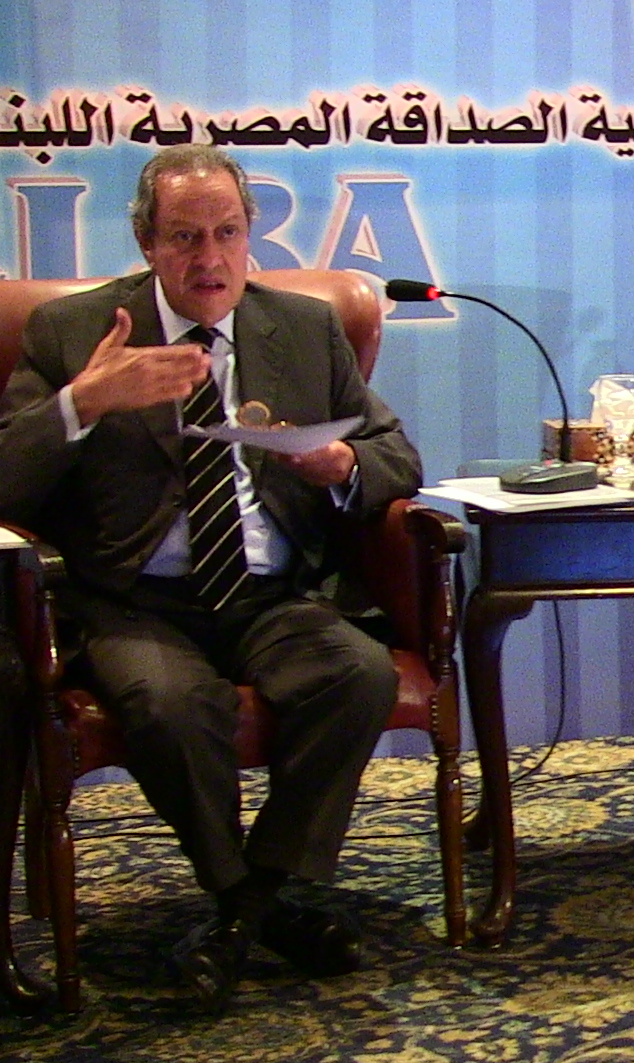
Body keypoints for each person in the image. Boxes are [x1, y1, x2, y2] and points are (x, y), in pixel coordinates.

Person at [0, 145, 423, 1011]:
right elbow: (6, 480)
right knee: (168, 704)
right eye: (185, 237)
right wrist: (85, 402)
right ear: (147, 243)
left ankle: (245, 909)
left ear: (249, 235)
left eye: (228, 233)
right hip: (133, 601)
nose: (210, 258)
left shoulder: (302, 329)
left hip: (271, 596)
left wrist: (342, 464)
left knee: (358, 674)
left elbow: (396, 455)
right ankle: (256, 904)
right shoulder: (74, 333)